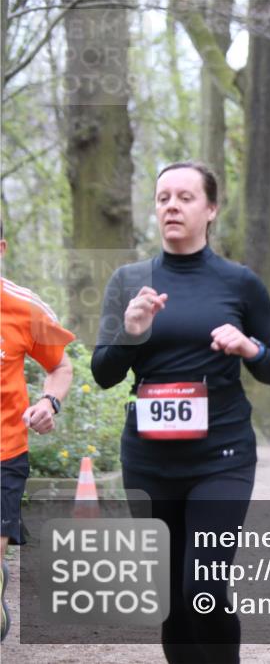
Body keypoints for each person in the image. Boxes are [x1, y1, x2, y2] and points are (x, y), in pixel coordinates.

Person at [91, 161, 270, 664]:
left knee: (202, 589)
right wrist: (131, 333)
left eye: (185, 197)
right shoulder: (130, 281)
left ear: (211, 209)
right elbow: (104, 373)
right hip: (149, 460)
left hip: (221, 456)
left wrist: (249, 349)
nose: (172, 206)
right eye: (163, 198)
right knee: (171, 602)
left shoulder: (240, 284)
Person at [0, 219, 75, 642]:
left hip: (4, 452)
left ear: (1, 249)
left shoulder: (23, 306)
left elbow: (61, 365)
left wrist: (49, 402)